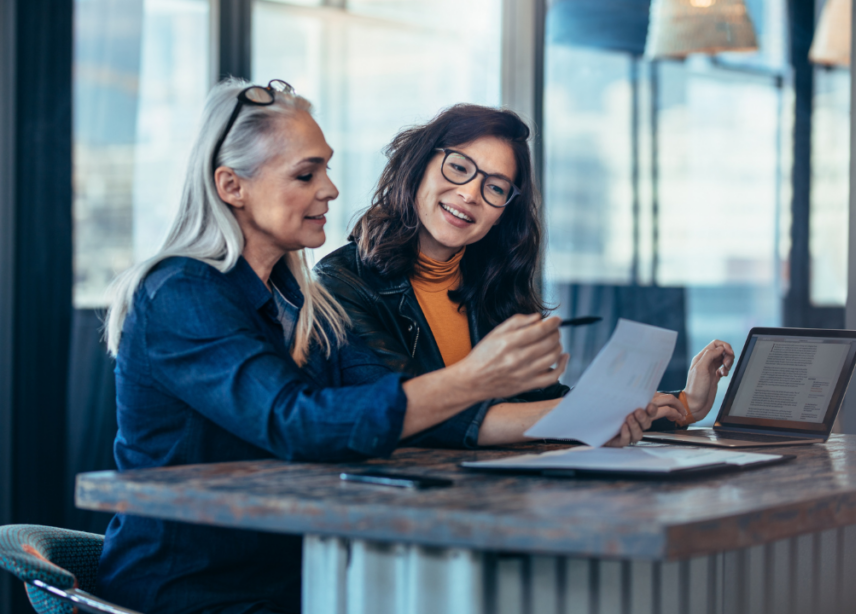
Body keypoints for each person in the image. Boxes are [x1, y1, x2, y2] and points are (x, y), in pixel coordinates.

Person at [97, 81, 658, 614]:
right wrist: (476, 377)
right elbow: (297, 423)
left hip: (299, 577)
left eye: (327, 168)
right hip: (194, 592)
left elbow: (392, 402)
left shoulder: (299, 298)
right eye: (305, 174)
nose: (330, 190)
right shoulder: (181, 292)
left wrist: (600, 412)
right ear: (231, 186)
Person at [315, 104, 735, 443]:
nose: (470, 194)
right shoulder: (341, 283)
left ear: (503, 214)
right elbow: (411, 414)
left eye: (495, 188)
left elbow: (541, 403)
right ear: (419, 166)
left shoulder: (491, 285)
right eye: (459, 167)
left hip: (496, 498)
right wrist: (588, 415)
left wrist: (684, 404)